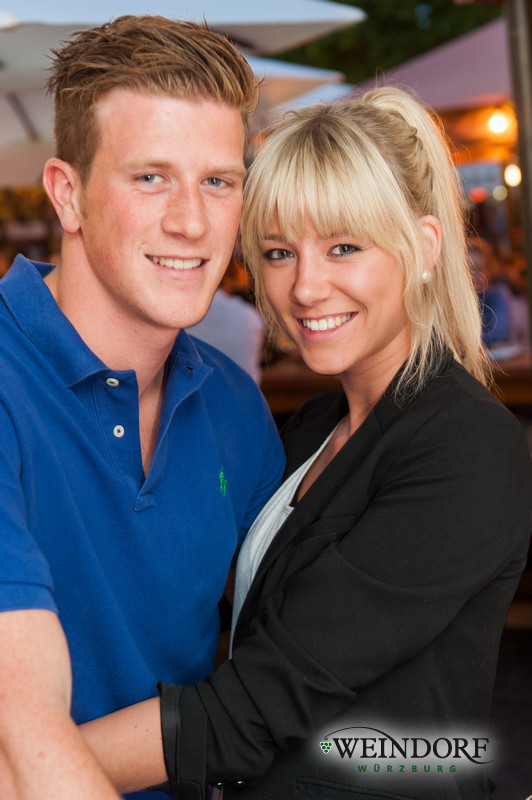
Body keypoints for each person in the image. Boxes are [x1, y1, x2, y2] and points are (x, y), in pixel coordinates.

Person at [80, 89, 532, 799]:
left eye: (344, 247)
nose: (306, 287)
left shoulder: (466, 445)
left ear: (423, 248)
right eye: (280, 253)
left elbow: (258, 706)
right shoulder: (315, 424)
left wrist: (30, 766)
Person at [0, 15, 285, 800]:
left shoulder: (235, 407)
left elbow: (281, 678)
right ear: (68, 195)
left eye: (218, 181)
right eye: (151, 177)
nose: (192, 221)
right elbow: (21, 730)